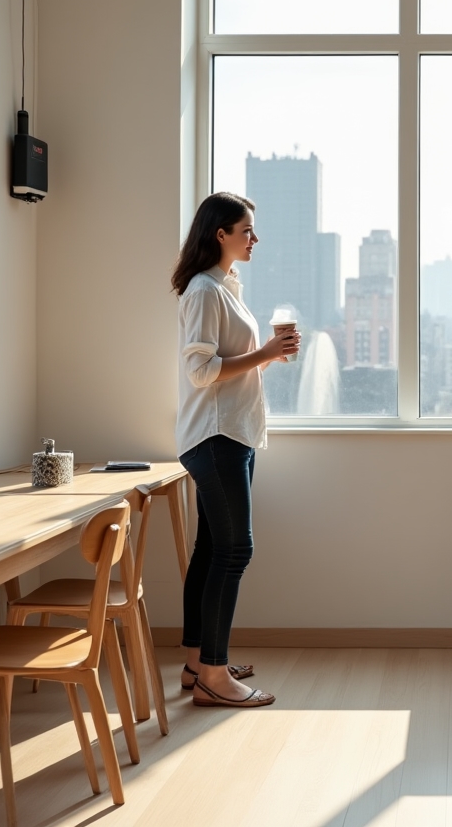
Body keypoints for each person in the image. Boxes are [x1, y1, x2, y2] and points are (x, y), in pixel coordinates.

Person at [171, 192, 299, 707]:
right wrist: (264, 351)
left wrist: (265, 358)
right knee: (234, 549)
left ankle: (197, 662)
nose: (254, 238)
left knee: (211, 550)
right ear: (219, 233)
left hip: (232, 435)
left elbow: (228, 367)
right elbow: (200, 372)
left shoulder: (226, 288)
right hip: (216, 438)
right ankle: (215, 679)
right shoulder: (204, 291)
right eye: (246, 229)